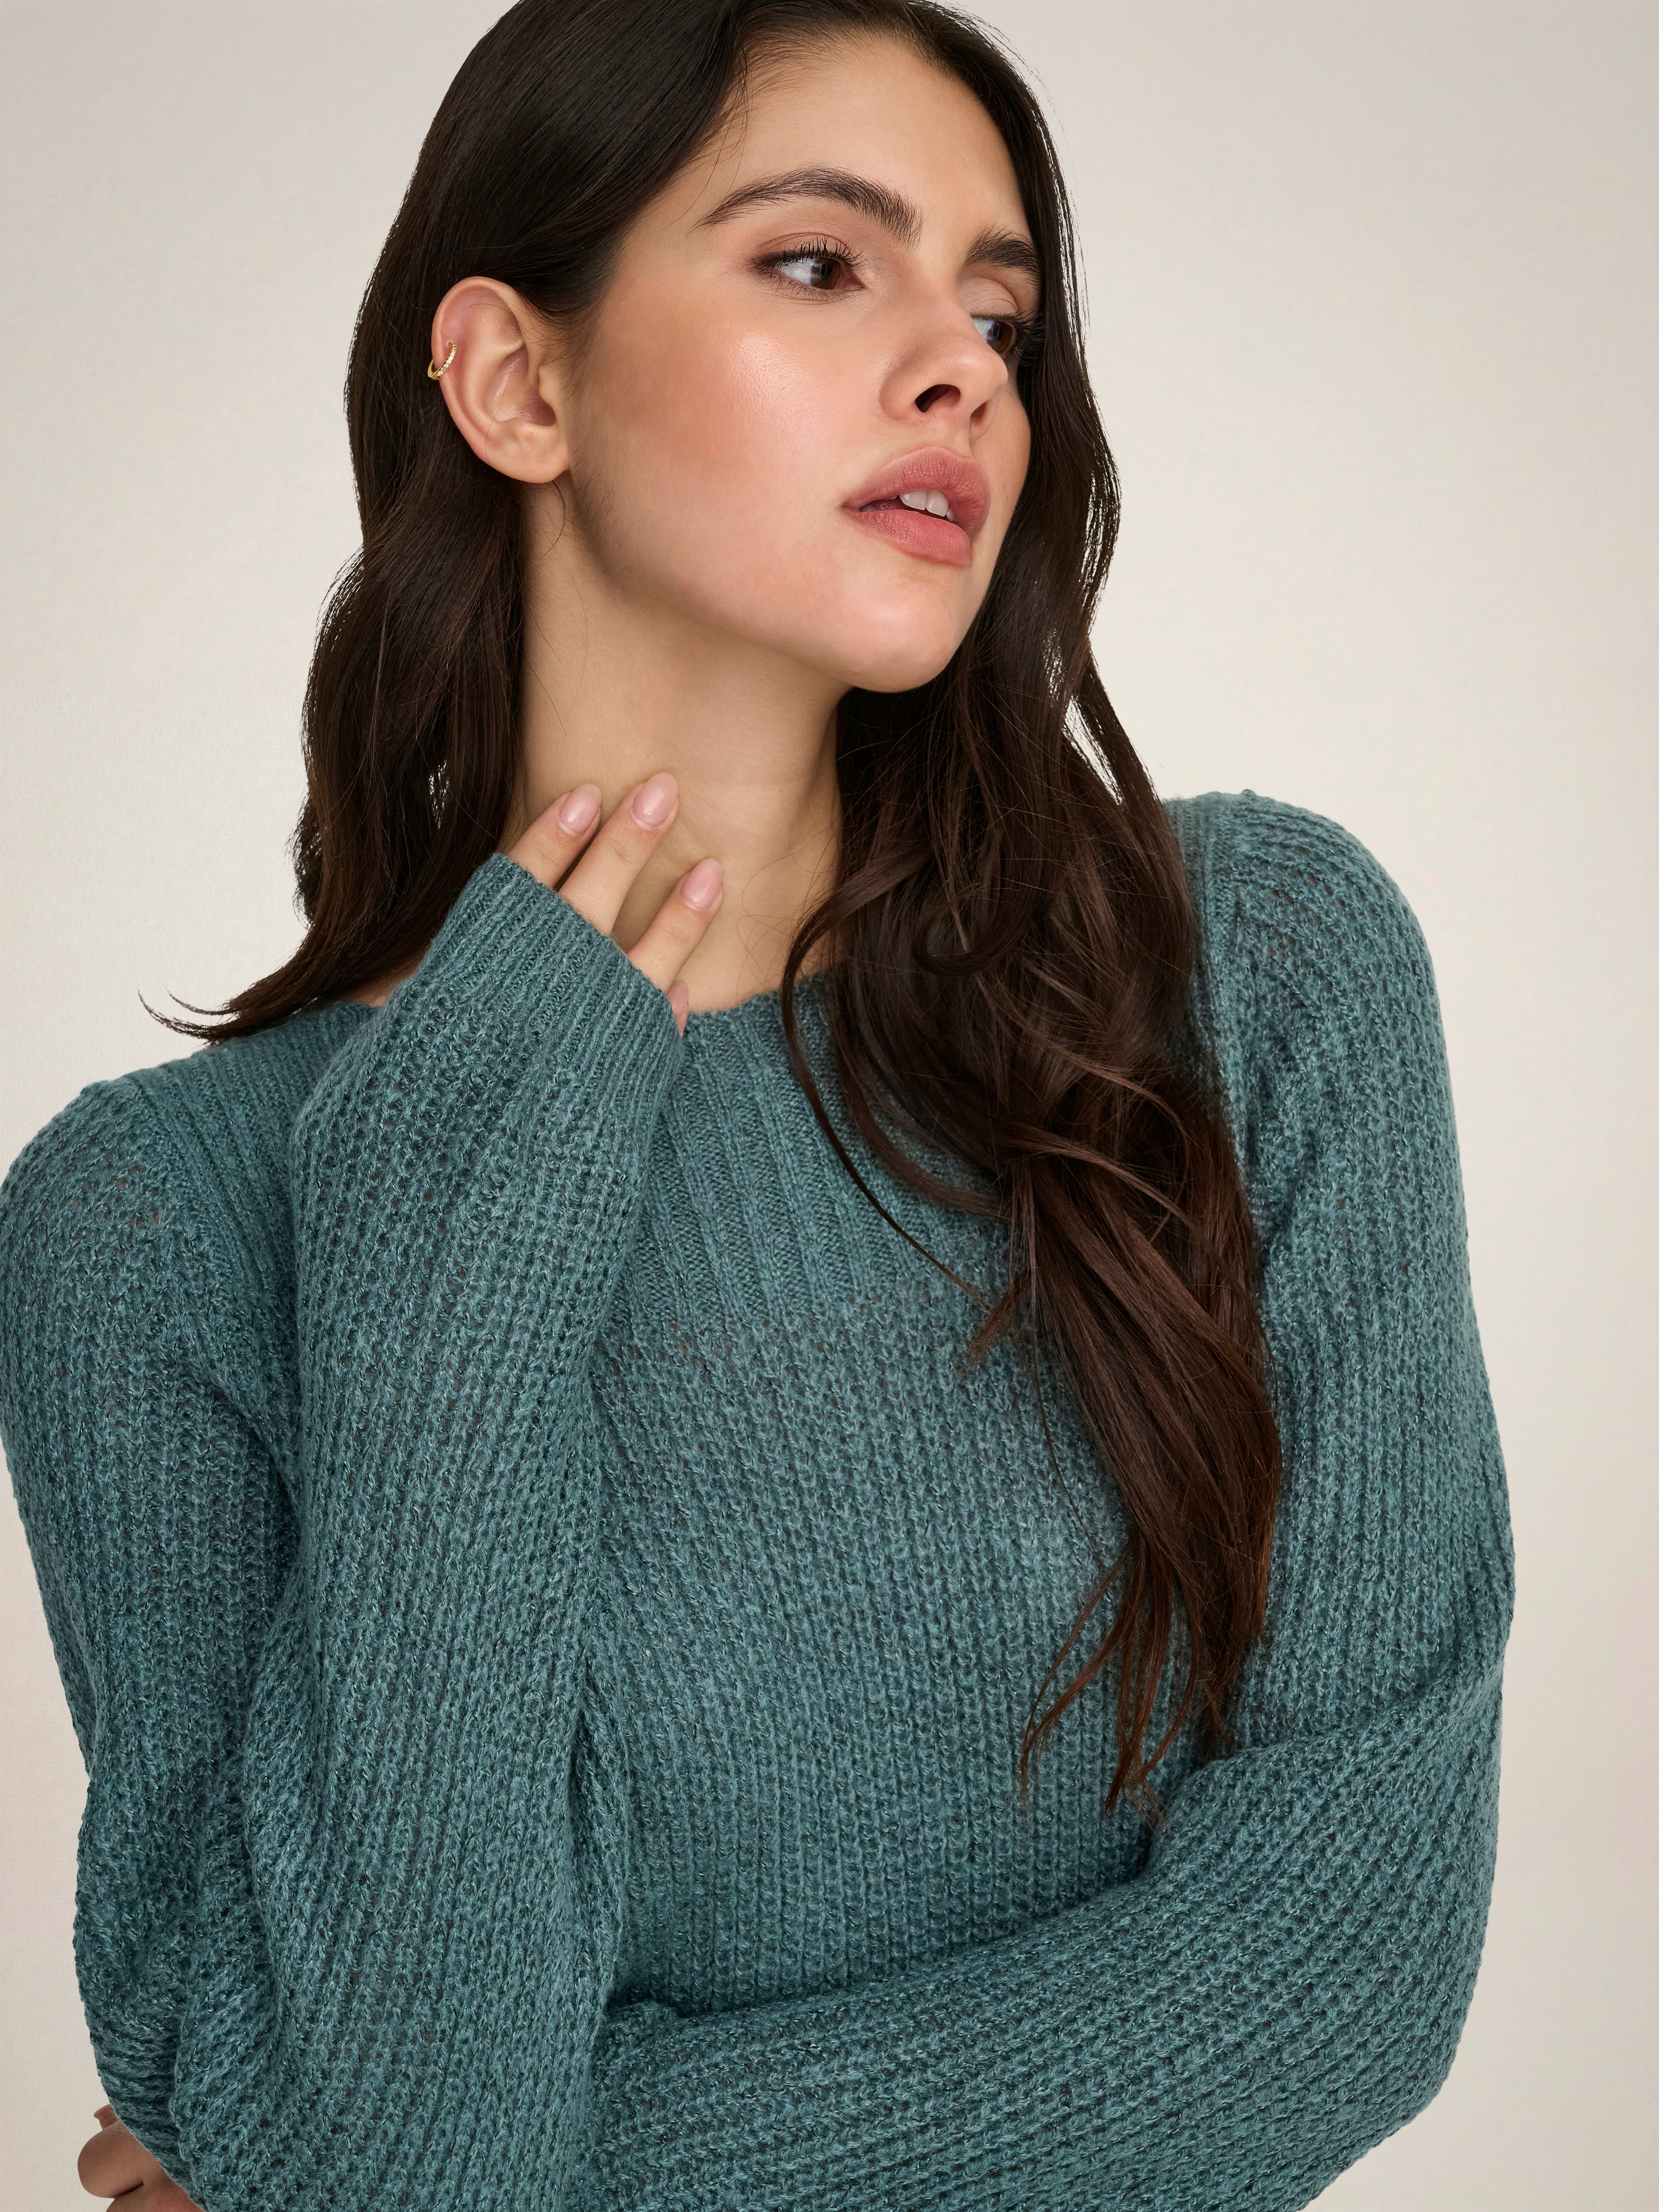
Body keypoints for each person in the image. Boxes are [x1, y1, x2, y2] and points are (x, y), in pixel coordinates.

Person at [0, 2, 1514, 2207]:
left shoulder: (1244, 979)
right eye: (819, 263)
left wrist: (435, 2185)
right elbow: (387, 2120)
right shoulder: (152, 1230)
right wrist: (452, 1233)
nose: (961, 368)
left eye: (998, 310)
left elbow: (1336, 1979)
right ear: (515, 383)